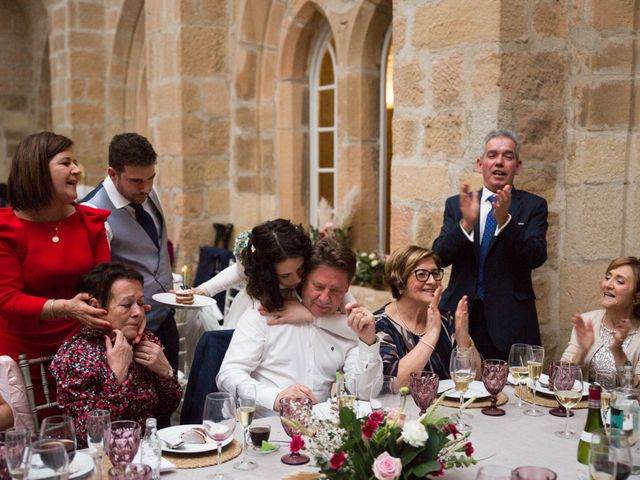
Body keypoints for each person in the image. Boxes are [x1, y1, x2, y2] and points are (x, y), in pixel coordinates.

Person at [216, 238, 382, 417]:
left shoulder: (346, 327)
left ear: (347, 288)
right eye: (318, 286)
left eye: (335, 291)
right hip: (264, 427)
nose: (325, 299)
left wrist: (368, 342)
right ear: (302, 279)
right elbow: (228, 375)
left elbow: (366, 393)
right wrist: (276, 398)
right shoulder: (265, 311)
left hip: (320, 431)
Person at [432, 129, 548, 360]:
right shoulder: (458, 205)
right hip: (460, 315)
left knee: (511, 393)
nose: (499, 162)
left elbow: (536, 256)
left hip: (510, 321)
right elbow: (439, 257)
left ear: (517, 166)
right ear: (480, 163)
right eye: (492, 155)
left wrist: (505, 221)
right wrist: (466, 223)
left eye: (508, 156)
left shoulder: (533, 206)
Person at [0, 131, 111, 364]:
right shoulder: (6, 229)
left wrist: (128, 302)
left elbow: (106, 284)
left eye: (76, 162)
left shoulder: (91, 222)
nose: (77, 170)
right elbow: (7, 299)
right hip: (22, 357)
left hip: (82, 352)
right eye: (66, 162)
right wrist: (66, 308)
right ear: (37, 171)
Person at [50, 262, 182, 447]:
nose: (137, 312)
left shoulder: (146, 341)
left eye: (141, 303)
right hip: (99, 461)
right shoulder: (74, 355)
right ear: (96, 307)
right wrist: (117, 378)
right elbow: (88, 435)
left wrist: (166, 373)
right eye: (127, 304)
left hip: (148, 451)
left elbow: (167, 411)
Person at [82, 133, 178, 374]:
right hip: (129, 333)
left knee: (170, 395)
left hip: (165, 318)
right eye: (136, 181)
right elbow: (98, 282)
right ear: (112, 174)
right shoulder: (92, 211)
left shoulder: (147, 193)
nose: (146, 188)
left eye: (151, 179)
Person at [193, 219, 356, 327]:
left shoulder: (318, 271)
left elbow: (351, 319)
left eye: (301, 270)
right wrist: (204, 290)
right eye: (285, 276)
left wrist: (311, 317)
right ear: (267, 273)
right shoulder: (253, 267)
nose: (297, 279)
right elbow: (239, 273)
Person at [375, 245, 480, 387]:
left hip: (446, 407)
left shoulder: (446, 319)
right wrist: (431, 335)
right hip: (402, 408)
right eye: (421, 274)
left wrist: (463, 338)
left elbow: (476, 378)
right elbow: (394, 385)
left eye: (435, 273)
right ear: (399, 281)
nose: (432, 281)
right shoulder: (379, 326)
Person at [561, 257, 640, 384]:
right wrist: (582, 351)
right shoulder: (587, 321)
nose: (608, 285)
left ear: (636, 298)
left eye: (620, 281)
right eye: (607, 277)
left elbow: (634, 391)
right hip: (584, 404)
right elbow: (562, 379)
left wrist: (617, 350)